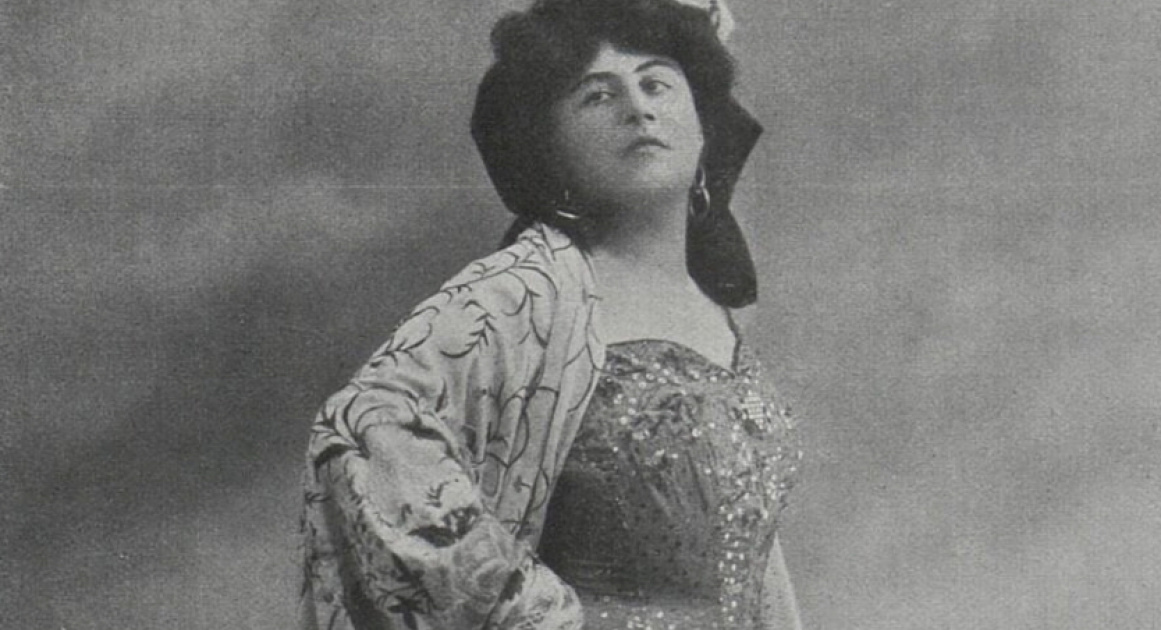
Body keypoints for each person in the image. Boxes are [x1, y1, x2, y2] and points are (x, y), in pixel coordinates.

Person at [299, 0, 803, 628]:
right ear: (549, 149)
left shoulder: (718, 303)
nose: (638, 108)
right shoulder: (527, 289)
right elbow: (363, 427)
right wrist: (529, 609)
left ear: (704, 128)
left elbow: (746, 550)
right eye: (598, 96)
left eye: (656, 84)